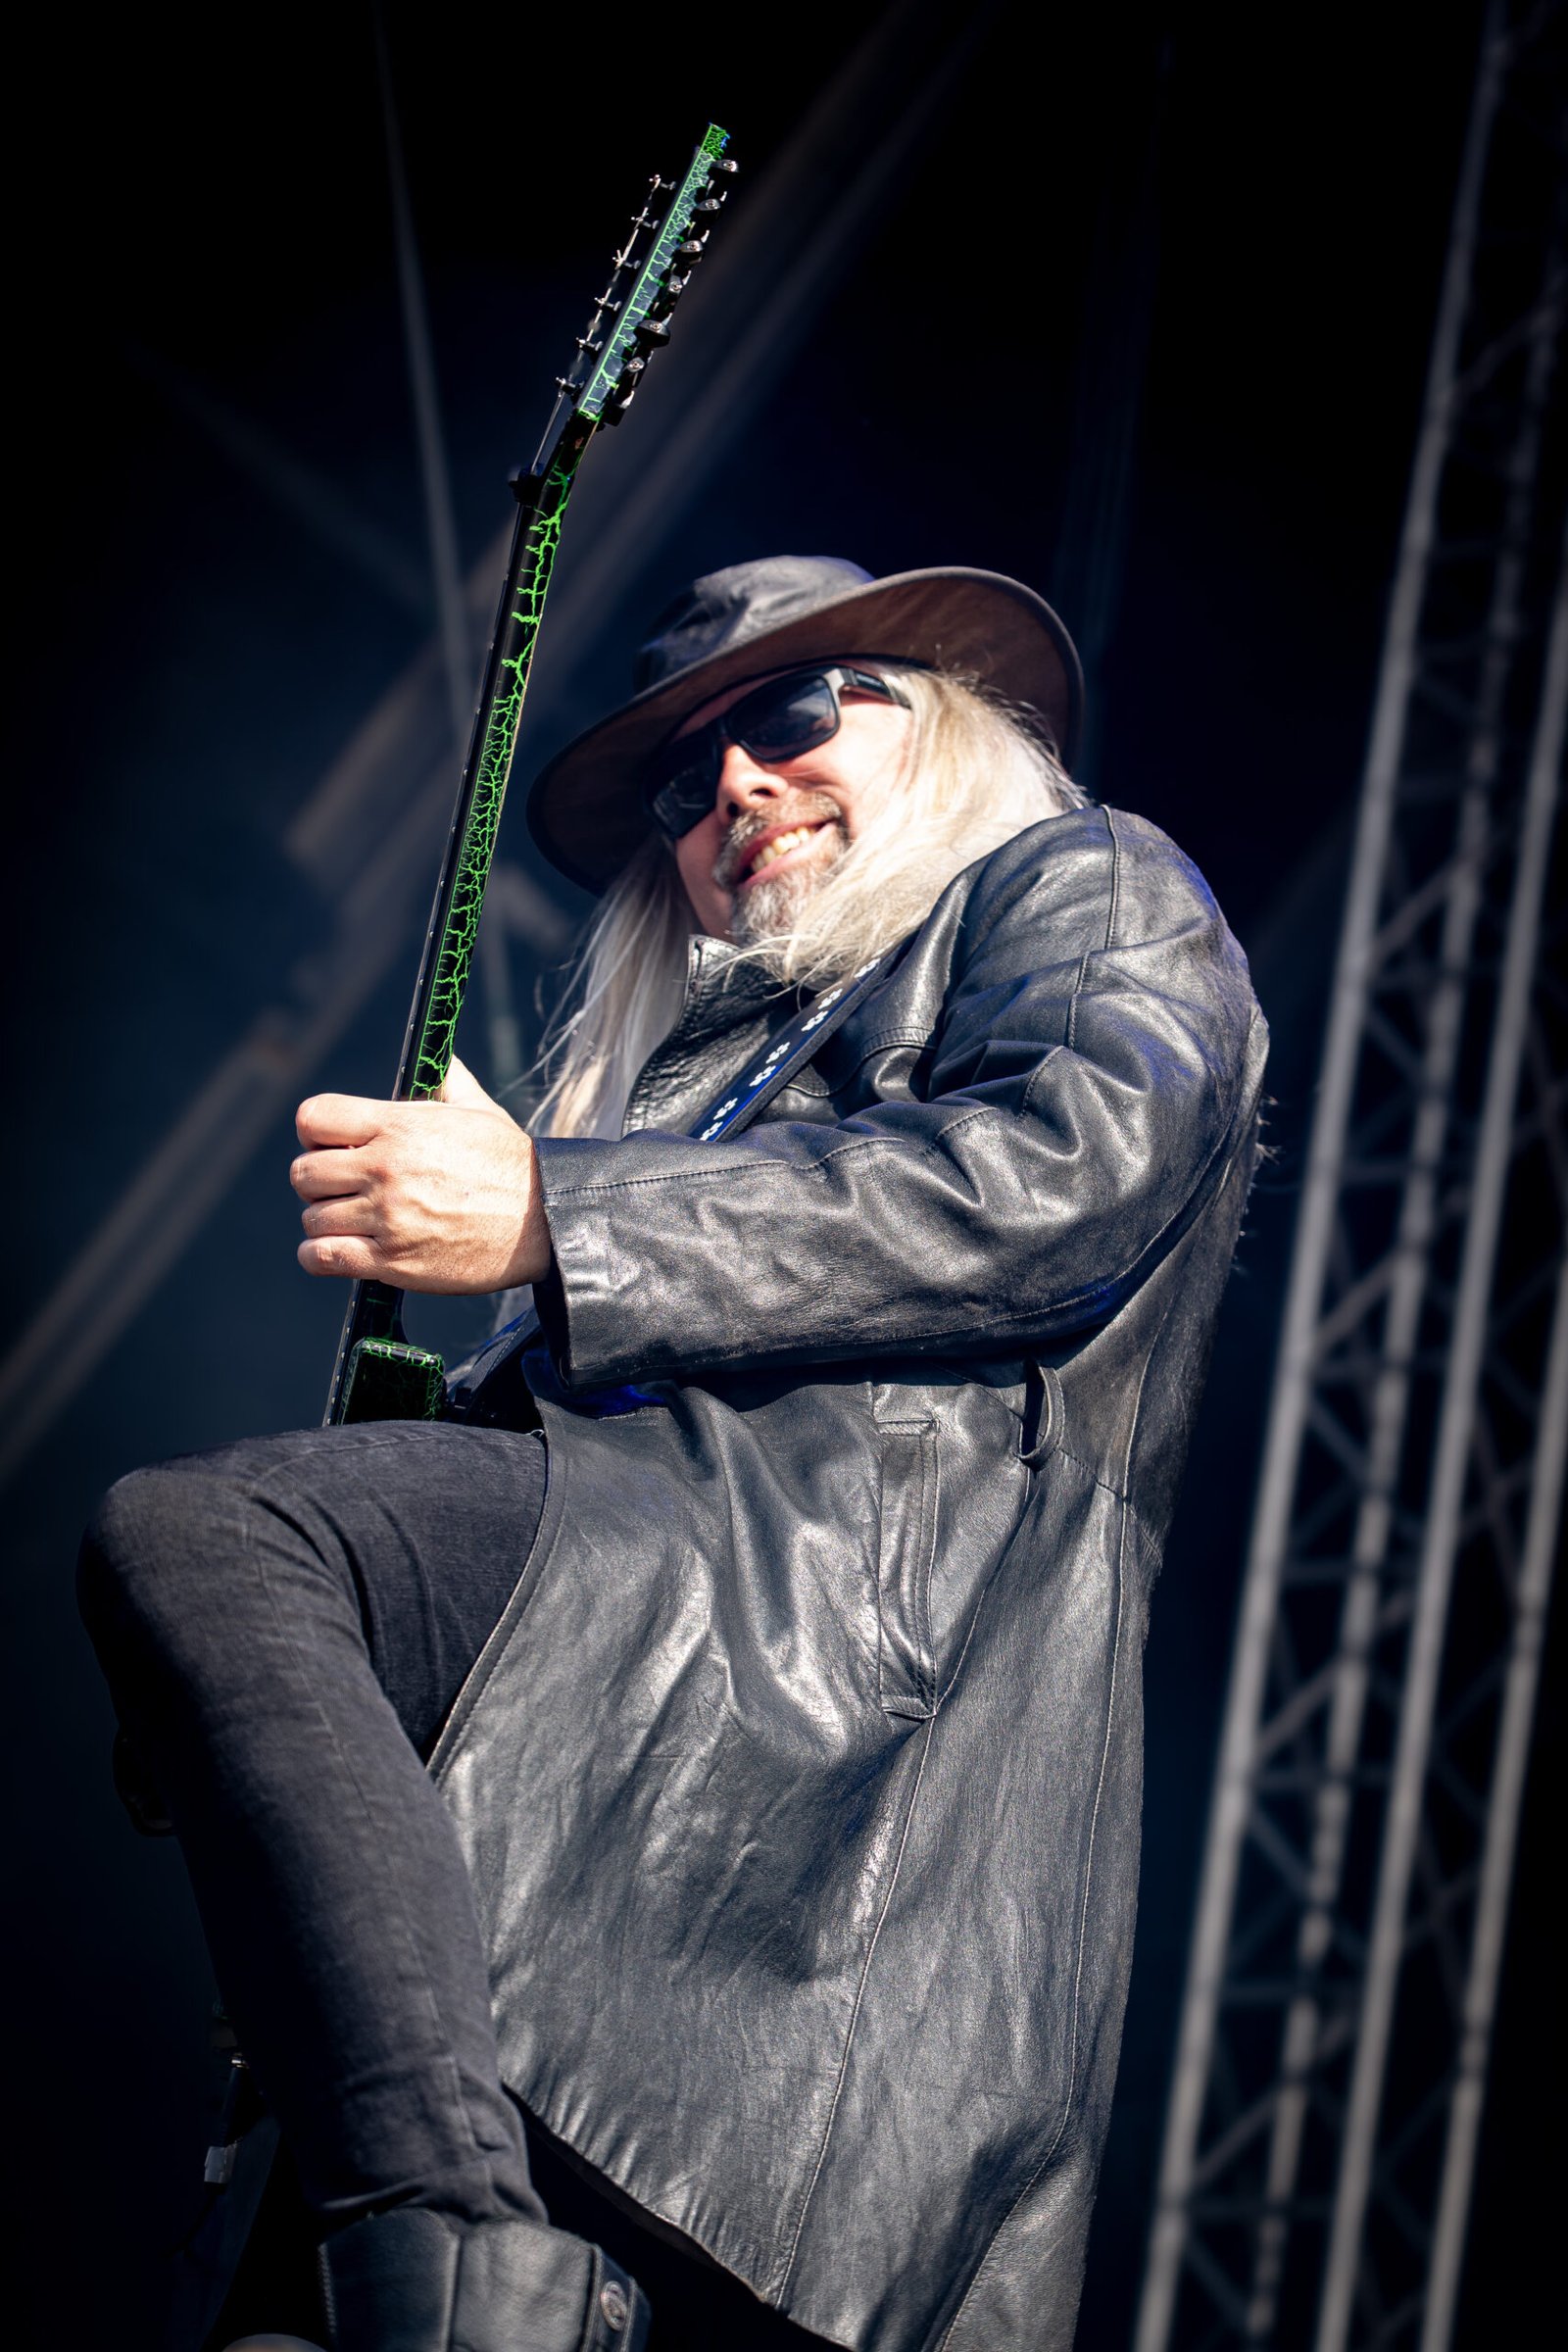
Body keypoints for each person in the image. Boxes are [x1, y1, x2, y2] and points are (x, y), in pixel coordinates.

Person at [79, 556, 1268, 2352]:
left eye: (788, 715)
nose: (733, 787)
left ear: (941, 724)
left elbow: (1059, 1173)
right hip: (570, 1895)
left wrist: (554, 1213)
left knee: (223, 1538)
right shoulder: (714, 1087)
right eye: (683, 784)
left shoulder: (1085, 882)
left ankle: (449, 2228)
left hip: (820, 1800)